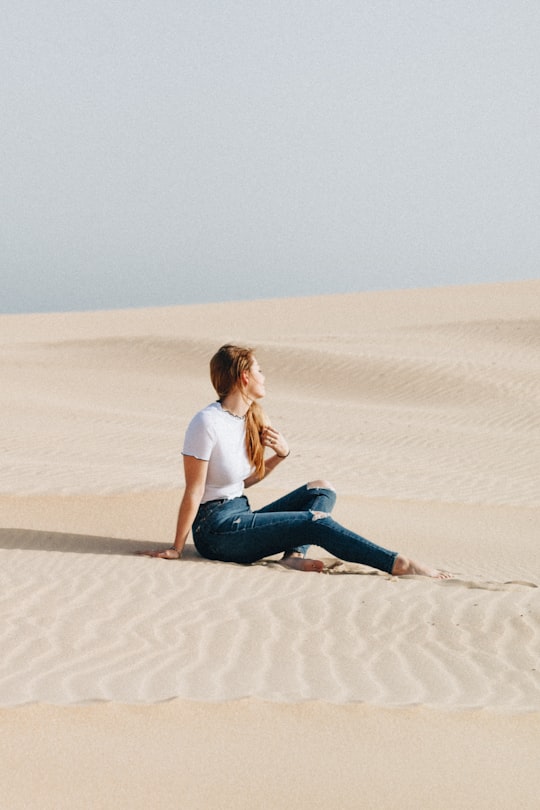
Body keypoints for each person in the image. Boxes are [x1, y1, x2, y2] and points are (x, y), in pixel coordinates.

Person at [143, 344, 450, 578]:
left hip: (239, 513)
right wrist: (177, 548)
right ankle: (398, 563)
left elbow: (239, 483)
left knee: (321, 490)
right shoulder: (205, 422)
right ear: (244, 377)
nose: (265, 377)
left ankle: (293, 555)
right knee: (313, 522)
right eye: (259, 370)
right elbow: (194, 490)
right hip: (216, 532)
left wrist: (280, 456)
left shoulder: (245, 418)